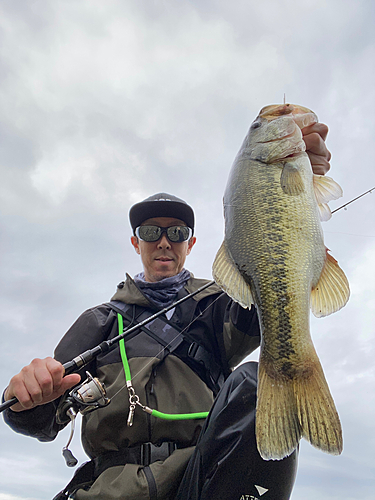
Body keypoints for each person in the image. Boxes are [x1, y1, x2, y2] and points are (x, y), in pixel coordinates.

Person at [2, 123, 331, 500]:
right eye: (150, 232)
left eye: (176, 233)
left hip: (200, 480)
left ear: (190, 244)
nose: (163, 242)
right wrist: (23, 397)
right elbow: (41, 418)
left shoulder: (217, 304)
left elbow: (271, 290)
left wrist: (298, 187)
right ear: (134, 242)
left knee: (255, 385)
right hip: (106, 488)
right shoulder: (99, 322)